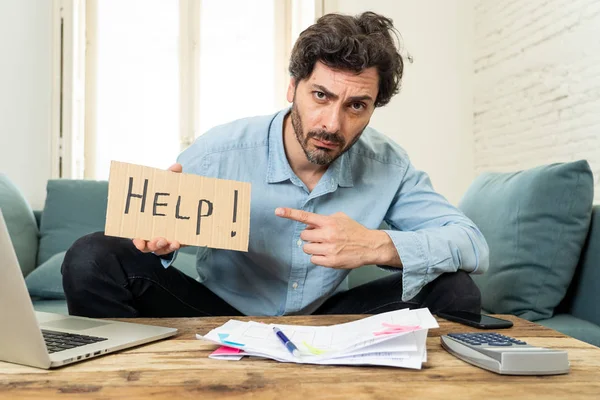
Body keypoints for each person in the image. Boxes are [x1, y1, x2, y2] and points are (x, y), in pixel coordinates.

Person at [62, 11, 489, 318]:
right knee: (92, 257)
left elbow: (471, 244)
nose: (333, 123)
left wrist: (379, 246)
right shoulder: (220, 151)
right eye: (321, 95)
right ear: (293, 86)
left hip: (328, 322)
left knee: (455, 290)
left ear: (374, 107)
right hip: (218, 317)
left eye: (357, 105)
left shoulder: (388, 166)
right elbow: (149, 238)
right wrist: (158, 238)